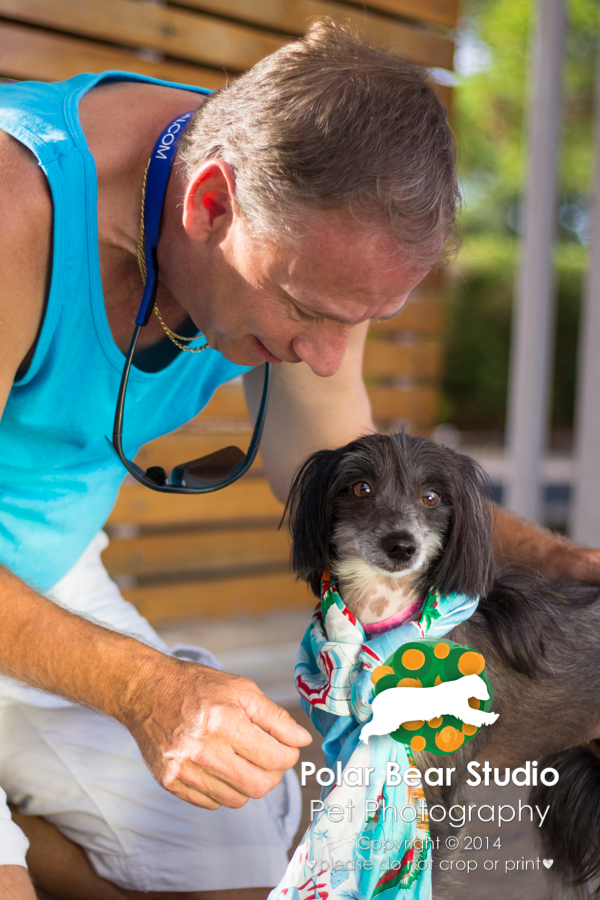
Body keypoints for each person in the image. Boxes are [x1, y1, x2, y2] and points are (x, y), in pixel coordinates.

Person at [0, 18, 598, 900]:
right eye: (308, 311)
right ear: (207, 205)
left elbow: (324, 459)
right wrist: (144, 689)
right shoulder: (17, 211)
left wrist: (559, 561)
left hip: (38, 573)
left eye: (354, 321)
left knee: (248, 869)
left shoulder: (297, 219)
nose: (323, 356)